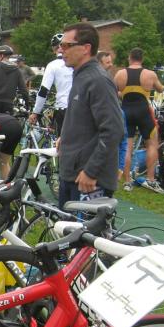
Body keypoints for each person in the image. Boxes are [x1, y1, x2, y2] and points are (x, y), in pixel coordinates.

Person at [57, 23, 124, 209]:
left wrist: (91, 171)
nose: (61, 50)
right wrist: (66, 136)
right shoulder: (81, 76)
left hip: (88, 181)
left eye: (66, 45)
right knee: (65, 226)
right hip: (72, 174)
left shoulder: (98, 80)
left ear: (86, 48)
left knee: (84, 229)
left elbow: (113, 130)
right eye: (61, 45)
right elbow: (85, 119)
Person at [114, 47, 164, 193]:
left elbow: (113, 91)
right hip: (144, 112)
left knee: (127, 147)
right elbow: (161, 89)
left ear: (129, 58)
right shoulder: (150, 74)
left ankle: (127, 182)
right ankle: (151, 180)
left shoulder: (120, 74)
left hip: (126, 112)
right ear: (142, 59)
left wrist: (124, 93)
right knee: (152, 144)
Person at [29, 35, 72, 134]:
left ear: (54, 49)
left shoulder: (53, 65)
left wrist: (36, 112)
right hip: (80, 107)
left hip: (63, 107)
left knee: (62, 140)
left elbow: (43, 91)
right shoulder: (77, 62)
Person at [0, 45, 26, 114]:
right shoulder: (17, 70)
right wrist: (27, 102)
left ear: (2, 55)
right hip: (8, 104)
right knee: (6, 120)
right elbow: (23, 89)